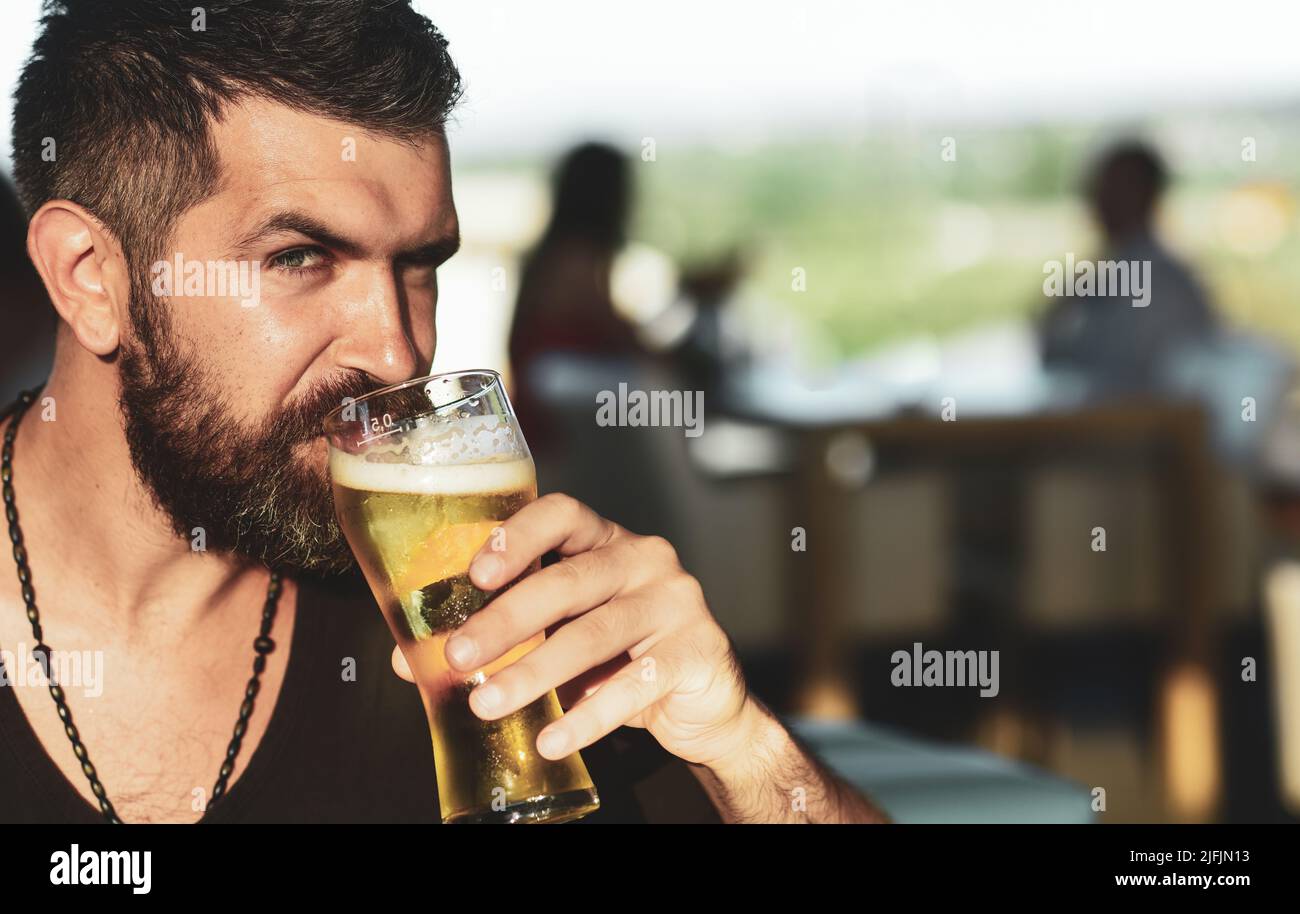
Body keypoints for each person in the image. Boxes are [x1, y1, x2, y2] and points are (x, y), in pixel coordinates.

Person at [0, 0, 885, 825]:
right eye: (302, 257)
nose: (395, 351)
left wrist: (742, 746)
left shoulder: (473, 615)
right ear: (89, 276)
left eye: (420, 264)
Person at [1038, 141, 1219, 396]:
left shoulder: (1155, 280)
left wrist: (1061, 305)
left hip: (1138, 428)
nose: (1098, 201)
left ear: (1146, 195)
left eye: (1111, 190)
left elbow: (1091, 360)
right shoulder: (1120, 272)